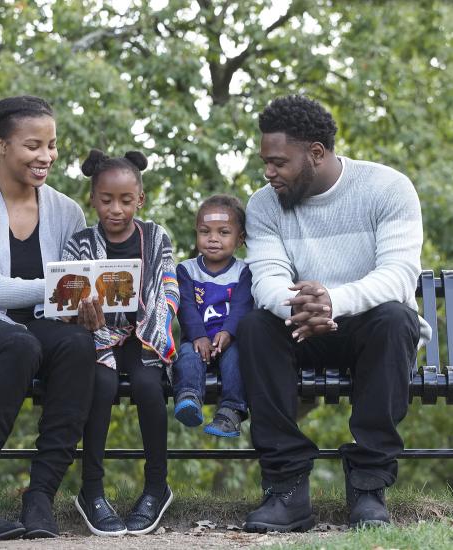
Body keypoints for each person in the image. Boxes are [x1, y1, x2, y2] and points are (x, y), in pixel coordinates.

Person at [237, 95, 431, 532]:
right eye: (266, 162)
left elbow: (399, 274)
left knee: (397, 318)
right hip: (300, 325)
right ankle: (286, 492)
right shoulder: (265, 204)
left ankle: (368, 488)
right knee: (254, 327)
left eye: (278, 162)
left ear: (317, 153)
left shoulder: (387, 188)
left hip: (367, 327)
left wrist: (334, 302)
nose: (269, 172)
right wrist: (305, 306)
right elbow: (266, 278)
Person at [0, 96, 104, 541]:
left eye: (51, 145)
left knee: (77, 346)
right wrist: (63, 287)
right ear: (1, 145)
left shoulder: (67, 211)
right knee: (19, 344)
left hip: (37, 329)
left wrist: (84, 307)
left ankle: (40, 500)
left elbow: (70, 295)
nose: (46, 156)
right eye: (34, 145)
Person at [62, 149, 179, 536]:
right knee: (102, 385)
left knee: (148, 387)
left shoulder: (156, 237)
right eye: (106, 200)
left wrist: (155, 323)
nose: (116, 209)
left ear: (140, 199)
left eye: (126, 200)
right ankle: (91, 490)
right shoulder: (80, 243)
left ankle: (156, 487)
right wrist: (81, 312)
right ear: (93, 199)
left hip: (144, 333)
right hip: (98, 336)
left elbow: (168, 288)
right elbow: (65, 293)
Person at [173, 194, 252, 437]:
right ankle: (189, 399)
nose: (213, 239)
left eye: (223, 232)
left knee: (237, 360)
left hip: (231, 340)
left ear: (240, 239)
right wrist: (198, 336)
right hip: (197, 340)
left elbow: (241, 306)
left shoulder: (244, 271)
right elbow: (185, 305)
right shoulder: (187, 269)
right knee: (186, 356)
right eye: (205, 231)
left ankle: (230, 412)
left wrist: (227, 333)